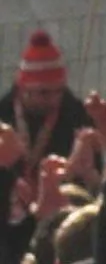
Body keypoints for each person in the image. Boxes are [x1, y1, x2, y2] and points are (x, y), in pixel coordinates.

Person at [0, 30, 93, 174]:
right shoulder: (4, 115)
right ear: (24, 89)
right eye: (44, 92)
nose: (55, 99)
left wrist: (87, 172)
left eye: (59, 91)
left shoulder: (77, 116)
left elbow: (96, 182)